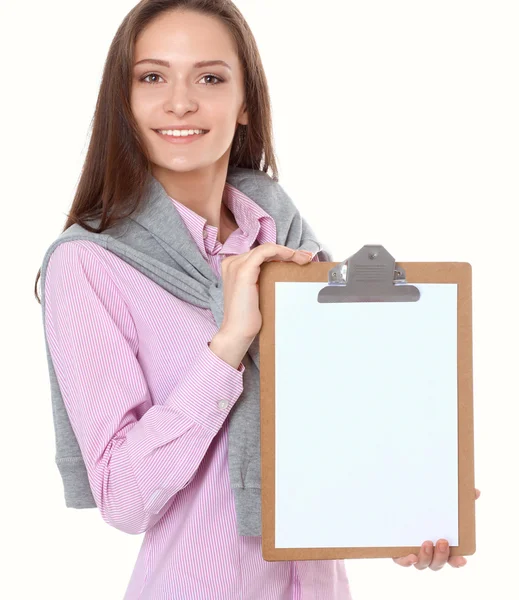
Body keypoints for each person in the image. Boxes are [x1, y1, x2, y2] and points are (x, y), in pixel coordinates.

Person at [35, 1, 479, 598]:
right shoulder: (89, 263)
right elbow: (123, 495)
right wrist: (227, 346)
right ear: (124, 99)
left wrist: (401, 505)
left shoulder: (278, 227)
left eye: (211, 78)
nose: (181, 102)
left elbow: (342, 407)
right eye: (152, 77)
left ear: (245, 103)